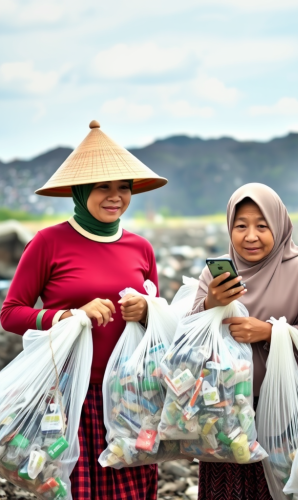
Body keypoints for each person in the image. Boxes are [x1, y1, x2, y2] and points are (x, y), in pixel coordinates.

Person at [1, 120, 167, 500]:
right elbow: (11, 313)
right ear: (79, 191)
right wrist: (69, 315)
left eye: (123, 187)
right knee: (77, 488)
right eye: (102, 187)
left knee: (134, 488)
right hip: (70, 393)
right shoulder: (48, 242)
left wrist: (146, 310)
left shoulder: (140, 248)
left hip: (130, 393)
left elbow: (156, 315)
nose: (115, 196)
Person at [191, 183, 298, 500]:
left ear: (278, 224)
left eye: (262, 226)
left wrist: (268, 332)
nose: (251, 236)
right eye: (241, 226)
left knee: (281, 489)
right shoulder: (216, 274)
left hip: (283, 411)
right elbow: (189, 337)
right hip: (225, 411)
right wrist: (210, 304)